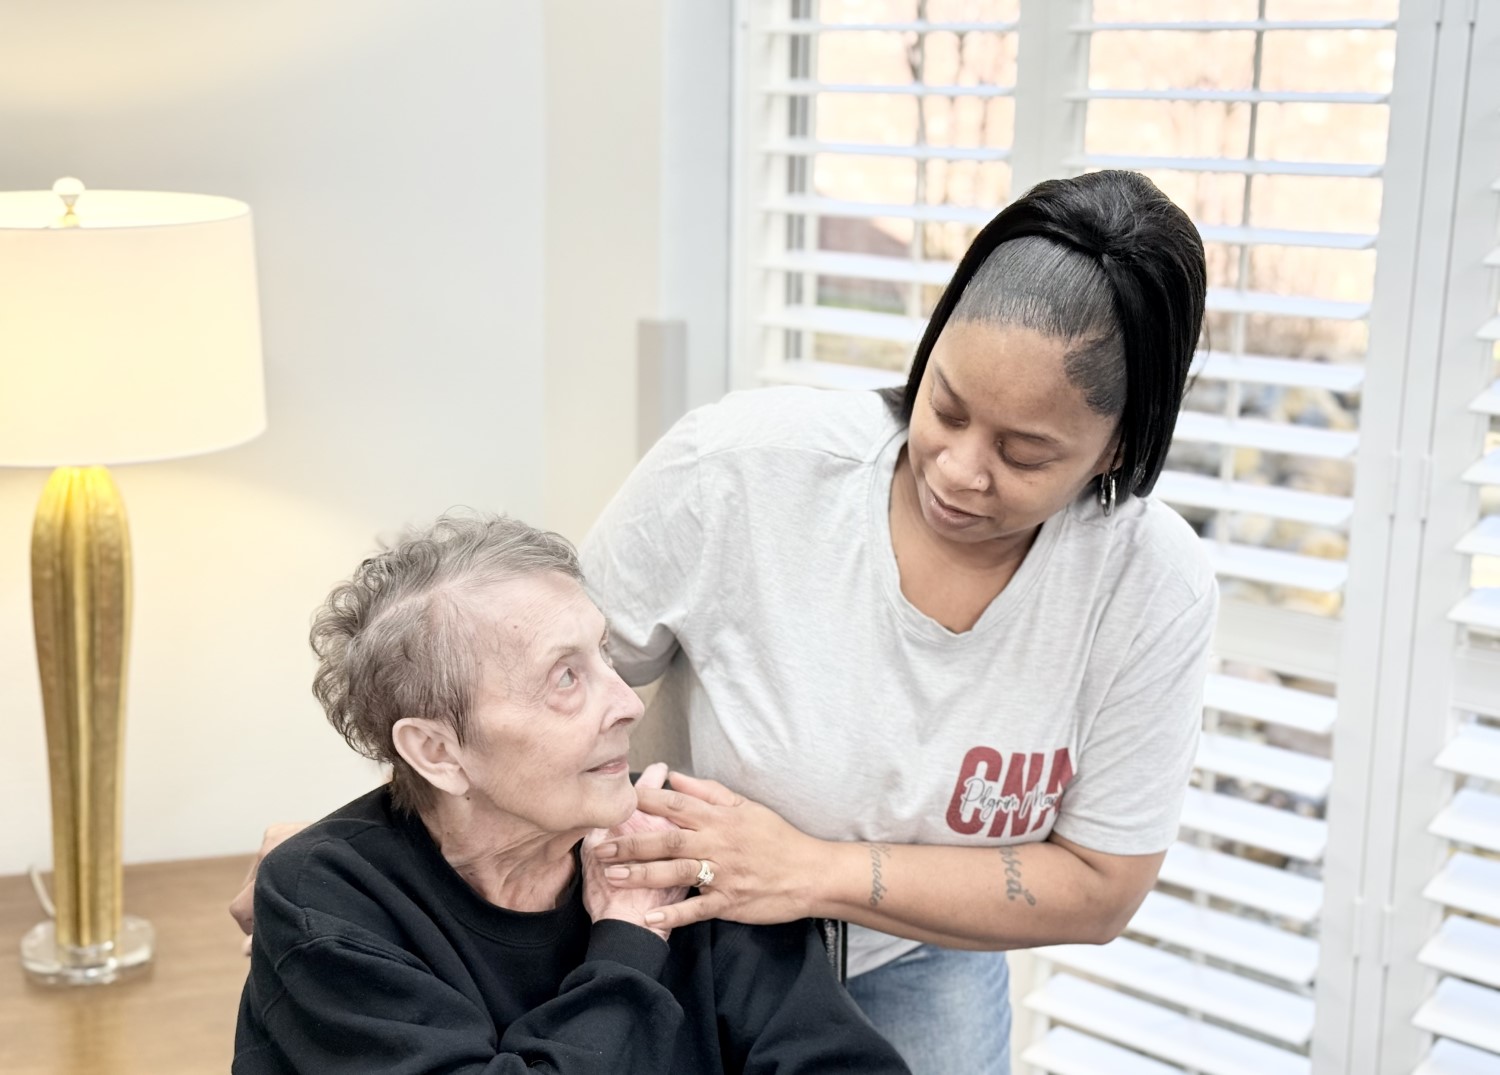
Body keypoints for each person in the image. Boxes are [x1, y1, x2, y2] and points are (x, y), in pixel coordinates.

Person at [233, 170, 1213, 1075]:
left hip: (820, 944)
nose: (958, 469)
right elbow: (490, 687)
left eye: (1025, 451)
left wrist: (808, 872)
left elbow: (1099, 884)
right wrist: (343, 853)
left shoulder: (1147, 587)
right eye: (944, 408)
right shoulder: (741, 472)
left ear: (1117, 447)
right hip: (674, 908)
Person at [232, 515, 911, 1074]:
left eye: (604, 656)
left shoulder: (681, 842)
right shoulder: (332, 903)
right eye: (565, 677)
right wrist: (624, 943)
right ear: (438, 752)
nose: (626, 704)